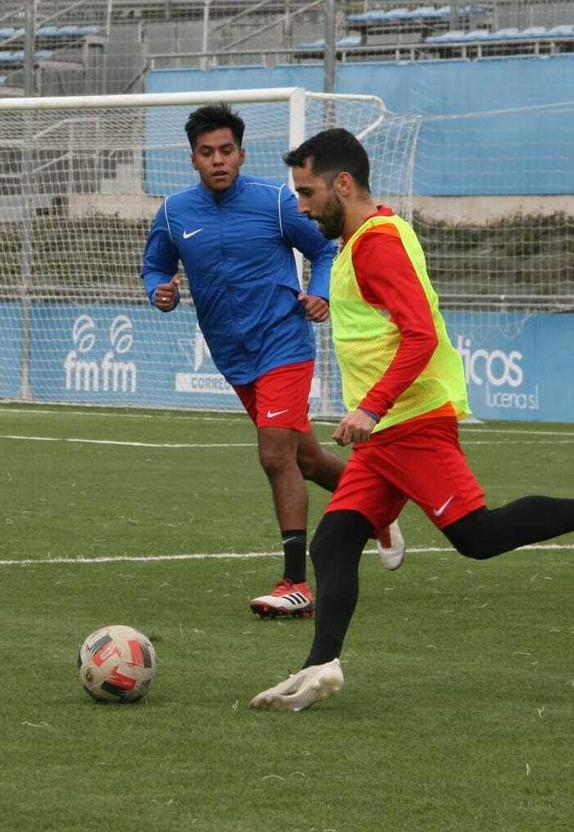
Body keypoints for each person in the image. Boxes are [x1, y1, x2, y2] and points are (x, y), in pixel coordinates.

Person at [250, 129, 574, 712]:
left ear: (343, 184)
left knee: (478, 538)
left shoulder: (378, 243)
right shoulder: (362, 241)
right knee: (333, 541)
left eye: (307, 193)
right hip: (388, 433)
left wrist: (370, 406)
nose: (301, 207)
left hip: (413, 423)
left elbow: (421, 334)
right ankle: (320, 666)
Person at [142, 103, 405, 620]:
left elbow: (328, 249)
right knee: (303, 460)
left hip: (283, 345)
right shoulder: (174, 213)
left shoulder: (277, 203)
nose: (218, 160)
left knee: (273, 456)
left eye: (226, 151)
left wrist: (320, 293)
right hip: (233, 358)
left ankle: (296, 584)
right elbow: (155, 264)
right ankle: (382, 505)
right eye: (206, 152)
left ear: (241, 154)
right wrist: (160, 290)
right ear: (193, 159)